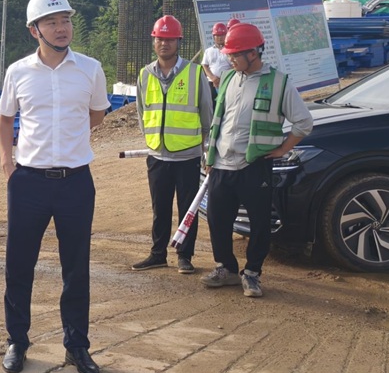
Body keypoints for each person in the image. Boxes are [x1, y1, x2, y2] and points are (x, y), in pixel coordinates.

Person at [0, 0, 109, 373]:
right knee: (19, 264)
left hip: (76, 181)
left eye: (66, 20)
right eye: (52, 22)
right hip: (28, 182)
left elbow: (97, 115)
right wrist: (7, 163)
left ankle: (77, 346)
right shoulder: (18, 72)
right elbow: (5, 119)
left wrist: (68, 140)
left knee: (76, 266)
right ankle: (17, 341)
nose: (62, 28)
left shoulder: (90, 69)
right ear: (35, 30)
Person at [202, 22, 313, 298]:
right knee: (217, 220)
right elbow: (220, 120)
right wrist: (211, 155)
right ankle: (226, 268)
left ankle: (252, 272)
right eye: (229, 54)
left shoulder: (278, 82)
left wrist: (283, 149)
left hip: (254, 165)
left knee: (259, 223)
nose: (230, 59)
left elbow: (304, 122)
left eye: (235, 54)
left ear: (253, 53)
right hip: (222, 165)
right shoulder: (228, 78)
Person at [132, 15, 213, 274]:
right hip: (157, 155)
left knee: (187, 208)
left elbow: (207, 115)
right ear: (154, 41)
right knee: (160, 209)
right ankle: (158, 254)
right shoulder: (145, 74)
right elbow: (142, 112)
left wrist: (205, 149)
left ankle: (184, 256)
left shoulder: (195, 73)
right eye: (160, 39)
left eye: (169, 39)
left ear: (179, 41)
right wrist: (152, 140)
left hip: (187, 155)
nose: (164, 43)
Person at [201, 21, 231, 95]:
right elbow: (205, 66)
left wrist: (223, 78)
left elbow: (234, 66)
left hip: (227, 82)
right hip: (211, 83)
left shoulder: (230, 51)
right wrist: (213, 78)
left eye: (222, 35)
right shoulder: (208, 51)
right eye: (217, 35)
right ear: (213, 36)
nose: (220, 38)